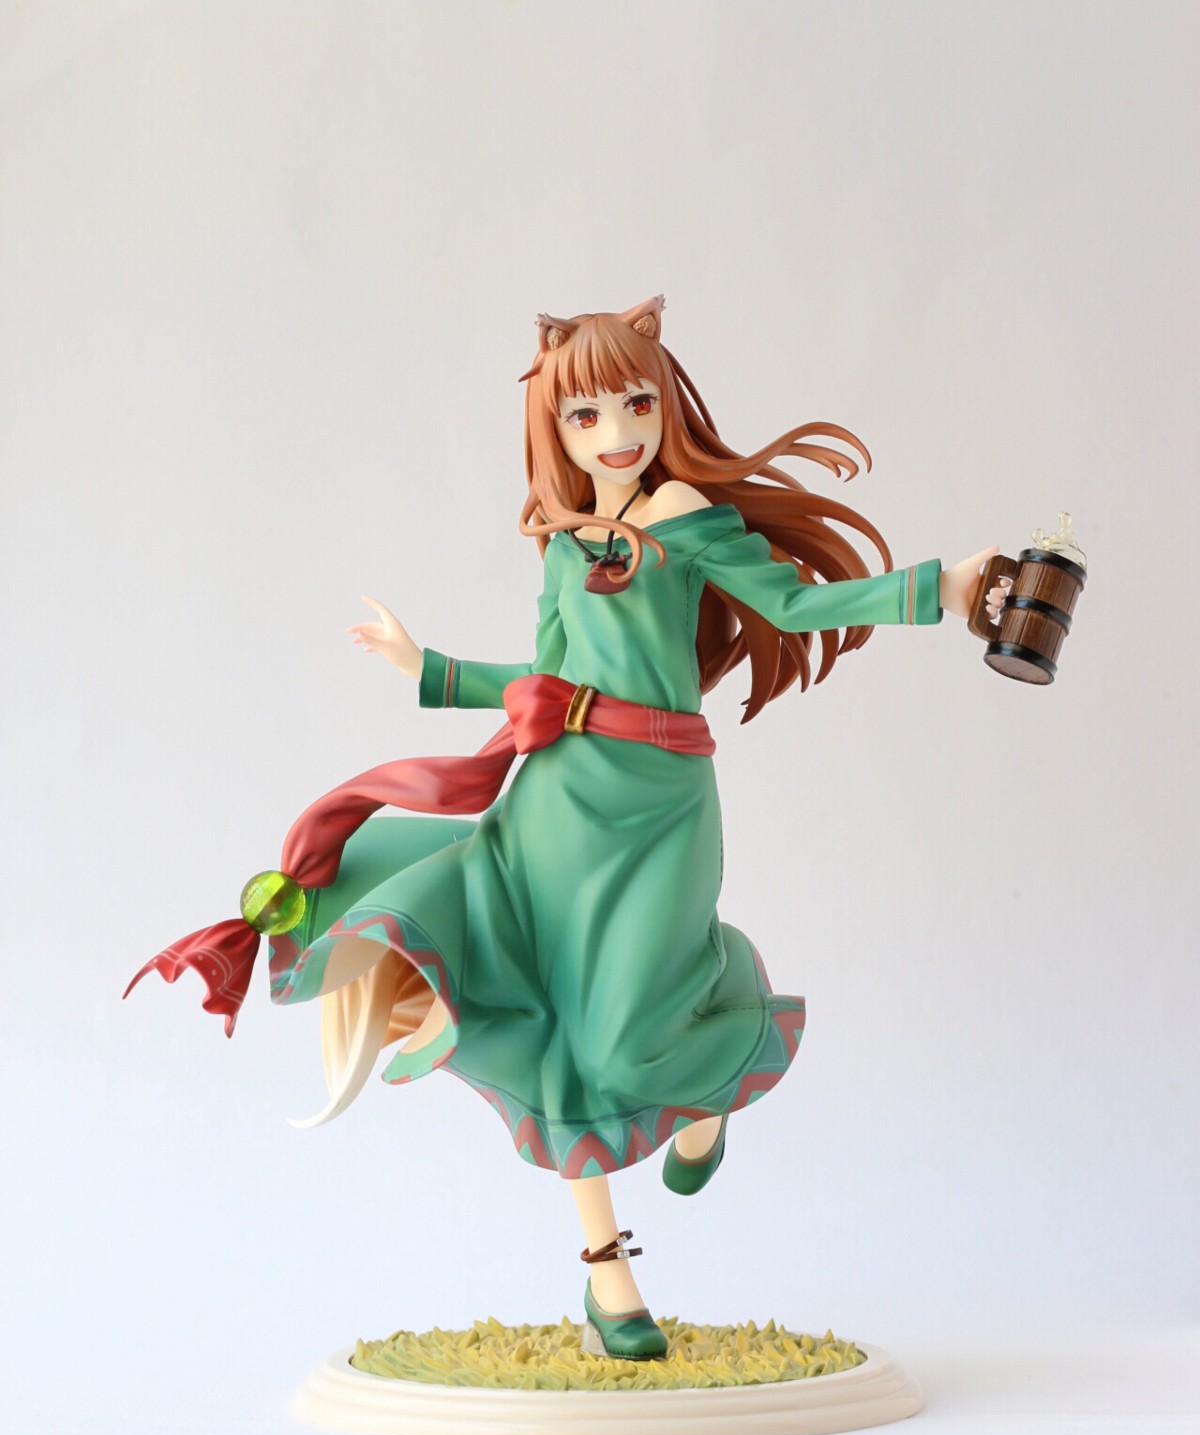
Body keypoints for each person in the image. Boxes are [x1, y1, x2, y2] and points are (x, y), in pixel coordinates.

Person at [127, 294, 1001, 1361]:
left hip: (660, 801)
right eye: (587, 415)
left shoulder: (687, 517)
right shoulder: (564, 547)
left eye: (635, 403)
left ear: (663, 402)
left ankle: (721, 1037)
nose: (617, 432)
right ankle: (608, 1278)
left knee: (629, 1030)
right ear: (558, 428)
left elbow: (796, 606)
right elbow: (542, 677)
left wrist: (938, 591)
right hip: (554, 800)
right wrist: (427, 666)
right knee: (555, 1024)